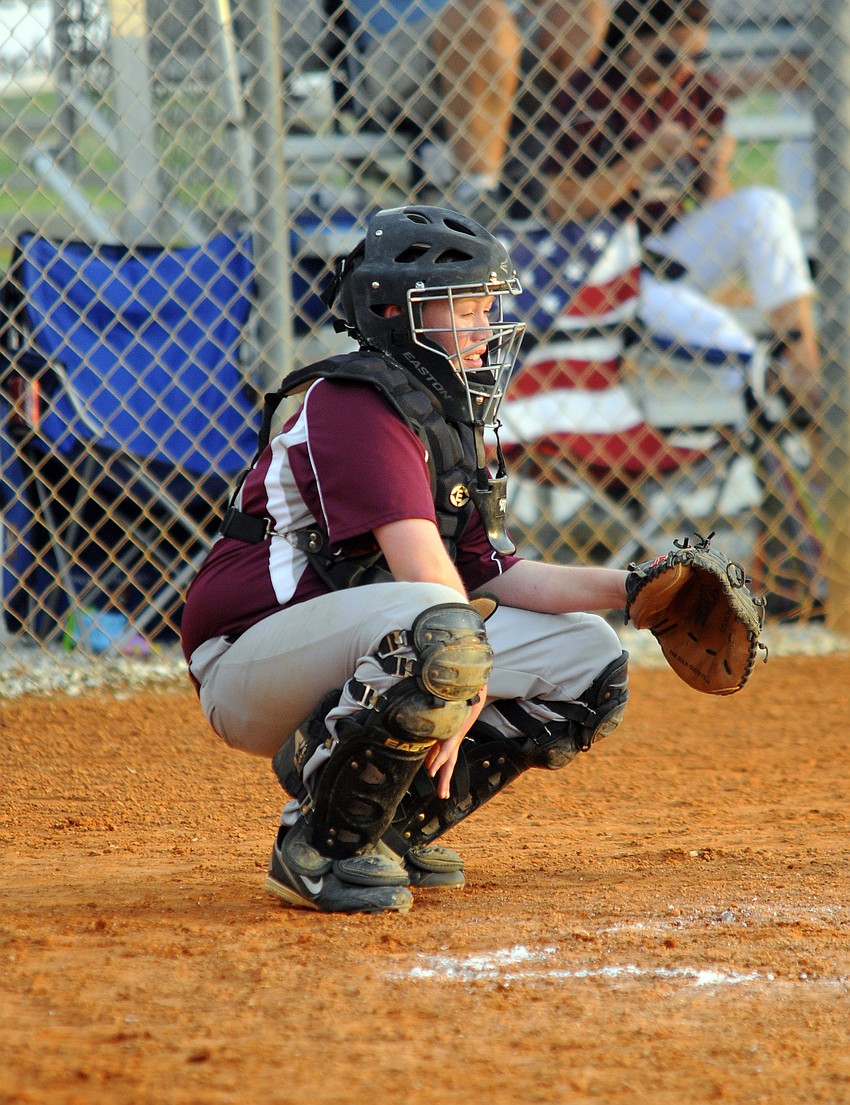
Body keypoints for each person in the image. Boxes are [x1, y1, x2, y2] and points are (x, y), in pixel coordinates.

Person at [180, 205, 631, 915]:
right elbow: (425, 568)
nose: (488, 326)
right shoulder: (356, 401)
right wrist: (468, 675)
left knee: (590, 657)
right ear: (393, 311)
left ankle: (387, 821)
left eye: (489, 306)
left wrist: (635, 588)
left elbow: (492, 573)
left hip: (368, 644)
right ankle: (321, 842)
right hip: (249, 657)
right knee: (442, 629)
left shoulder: (446, 415)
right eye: (468, 308)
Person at [526, 0, 821, 419]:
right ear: (631, 42)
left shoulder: (696, 91)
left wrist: (714, 167)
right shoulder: (588, 93)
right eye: (667, 55)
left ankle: (803, 364)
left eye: (694, 55)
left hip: (672, 252)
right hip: (608, 268)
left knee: (764, 205)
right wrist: (643, 159)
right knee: (723, 335)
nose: (682, 67)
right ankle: (781, 399)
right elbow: (561, 205)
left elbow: (719, 208)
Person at [345, 0, 610, 219]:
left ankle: (569, 169)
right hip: (403, 42)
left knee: (582, 9)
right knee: (480, 15)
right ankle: (478, 195)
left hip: (513, 27)